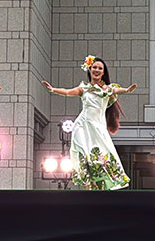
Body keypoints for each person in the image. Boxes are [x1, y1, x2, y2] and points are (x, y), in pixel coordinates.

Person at [41, 55, 136, 190]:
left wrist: (127, 90)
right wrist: (52, 89)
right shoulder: (84, 88)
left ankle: (100, 182)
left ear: (103, 72)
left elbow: (117, 90)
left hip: (98, 126)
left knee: (101, 154)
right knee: (83, 149)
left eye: (100, 68)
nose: (97, 70)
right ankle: (87, 180)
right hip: (83, 124)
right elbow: (68, 92)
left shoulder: (107, 89)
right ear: (90, 70)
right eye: (94, 67)